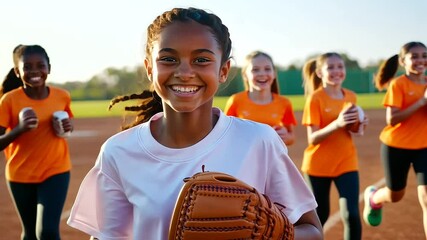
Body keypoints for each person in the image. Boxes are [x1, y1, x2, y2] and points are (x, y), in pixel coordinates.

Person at [67, 7, 323, 240]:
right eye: (168, 59)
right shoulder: (118, 152)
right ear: (149, 68)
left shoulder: (259, 141)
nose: (185, 72)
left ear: (223, 71)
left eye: (201, 60)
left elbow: (312, 231)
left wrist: (271, 235)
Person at [0, 44, 74, 240]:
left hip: (56, 170)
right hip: (20, 174)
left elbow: (68, 125)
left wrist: (67, 127)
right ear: (17, 71)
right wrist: (19, 129)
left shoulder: (62, 96)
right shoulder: (9, 101)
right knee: (31, 234)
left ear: (48, 67)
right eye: (27, 67)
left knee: (47, 232)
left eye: (40, 65)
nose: (34, 71)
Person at [301, 52, 368, 240]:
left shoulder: (351, 96)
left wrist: (359, 126)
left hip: (346, 161)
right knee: (320, 217)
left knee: (351, 214)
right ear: (320, 73)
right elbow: (312, 138)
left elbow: (352, 131)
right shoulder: (315, 99)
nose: (337, 71)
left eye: (340, 66)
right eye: (330, 67)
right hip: (318, 166)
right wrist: (337, 124)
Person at [363, 41, 427, 237]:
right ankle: (374, 198)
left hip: (424, 146)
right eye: (414, 56)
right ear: (403, 61)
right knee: (395, 195)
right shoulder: (398, 85)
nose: (420, 60)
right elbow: (392, 118)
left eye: (424, 56)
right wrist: (422, 101)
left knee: (426, 197)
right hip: (396, 146)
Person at [224, 50, 297, 145]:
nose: (262, 73)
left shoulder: (284, 103)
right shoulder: (235, 101)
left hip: (271, 158)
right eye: (255, 69)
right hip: (244, 158)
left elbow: (291, 138)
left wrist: (285, 137)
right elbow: (225, 135)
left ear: (274, 73)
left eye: (267, 69)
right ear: (245, 75)